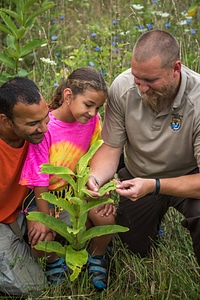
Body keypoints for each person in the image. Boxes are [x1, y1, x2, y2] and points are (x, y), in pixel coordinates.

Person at [87, 29, 200, 266]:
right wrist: (95, 179)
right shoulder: (123, 87)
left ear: (176, 69)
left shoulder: (197, 99)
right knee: (133, 249)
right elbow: (110, 147)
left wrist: (155, 186)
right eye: (138, 79)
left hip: (189, 178)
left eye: (151, 81)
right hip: (139, 175)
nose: (142, 88)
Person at [20, 67, 116, 291]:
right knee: (39, 239)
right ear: (68, 96)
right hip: (45, 195)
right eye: (88, 105)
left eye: (97, 107)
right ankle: (54, 261)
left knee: (106, 218)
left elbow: (96, 156)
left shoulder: (92, 122)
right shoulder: (46, 128)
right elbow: (39, 179)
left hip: (77, 190)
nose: (93, 113)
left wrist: (101, 190)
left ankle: (96, 256)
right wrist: (45, 218)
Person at [0, 77, 50, 296]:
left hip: (25, 208)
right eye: (33, 124)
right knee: (31, 288)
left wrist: (37, 212)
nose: (43, 128)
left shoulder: (41, 134)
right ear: (6, 121)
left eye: (45, 118)